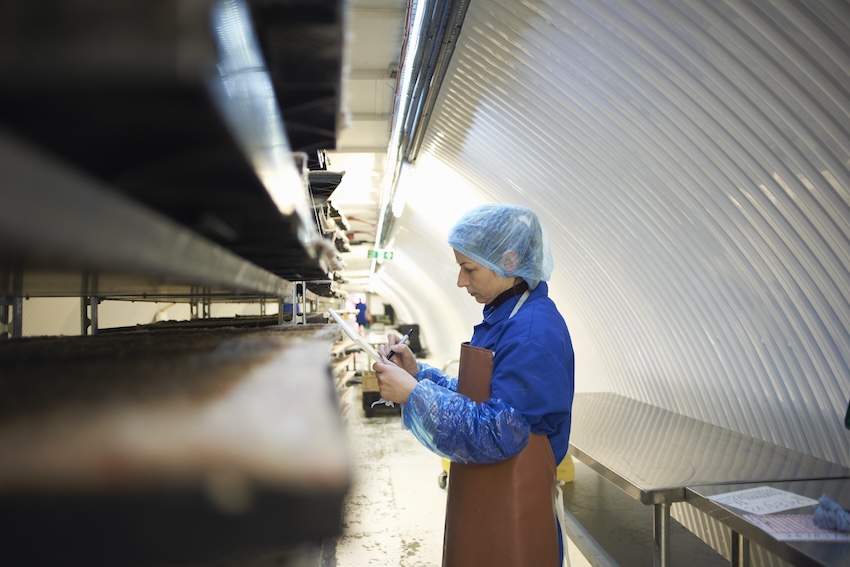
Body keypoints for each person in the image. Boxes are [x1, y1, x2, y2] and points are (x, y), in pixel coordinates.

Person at [372, 203, 574, 567]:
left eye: (469, 269)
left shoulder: (530, 333)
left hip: (514, 506)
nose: (460, 282)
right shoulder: (504, 317)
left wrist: (413, 394)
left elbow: (498, 433)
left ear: (509, 262)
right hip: (488, 496)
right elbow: (480, 396)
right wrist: (419, 375)